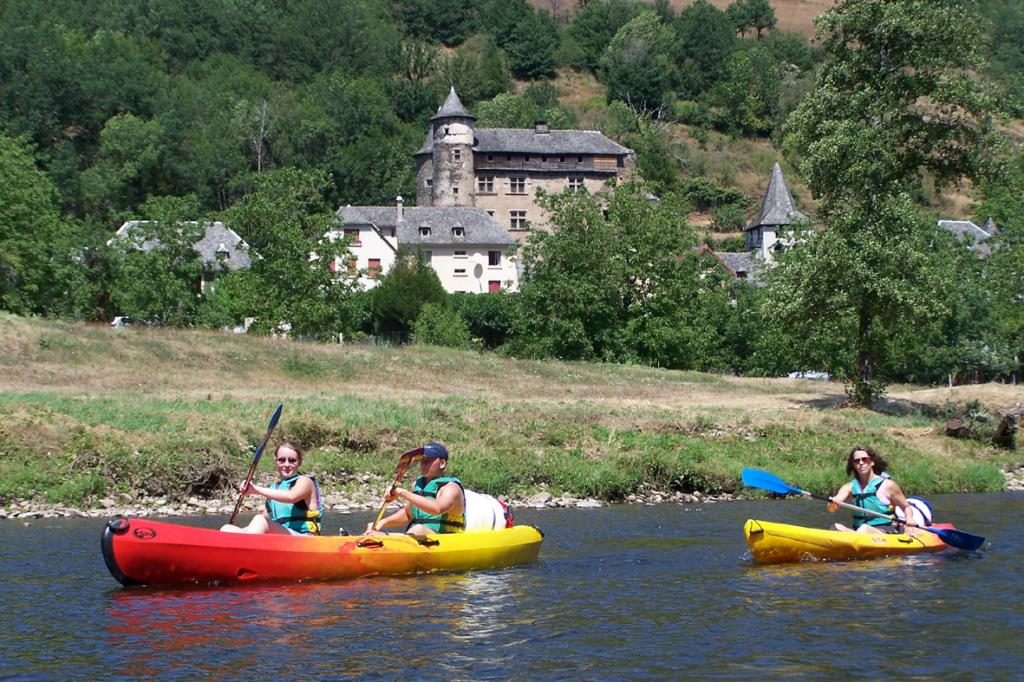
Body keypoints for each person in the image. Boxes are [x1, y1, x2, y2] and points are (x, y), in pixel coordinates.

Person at [220, 442, 324, 535]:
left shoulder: (304, 481)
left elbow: (291, 497)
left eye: (292, 460)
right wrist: (242, 531)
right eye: (281, 460)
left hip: (305, 538)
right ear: (276, 461)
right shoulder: (274, 488)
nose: (286, 464)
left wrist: (255, 489)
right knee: (227, 529)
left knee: (259, 520)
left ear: (299, 462)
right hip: (283, 538)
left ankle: (247, 548)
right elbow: (264, 519)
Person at [366, 441, 465, 538]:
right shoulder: (416, 485)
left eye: (428, 461)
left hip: (446, 538)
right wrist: (382, 522)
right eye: (422, 460)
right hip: (418, 538)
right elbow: (408, 514)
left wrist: (402, 493)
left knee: (418, 529)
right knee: (372, 529)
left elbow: (437, 509)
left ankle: (386, 538)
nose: (423, 464)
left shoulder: (451, 488)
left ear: (442, 463)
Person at [828, 445, 916, 534]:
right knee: (835, 527)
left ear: (872, 462)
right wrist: (833, 503)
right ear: (854, 465)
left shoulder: (887, 485)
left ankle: (856, 535)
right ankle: (855, 535)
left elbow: (906, 507)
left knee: (864, 529)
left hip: (884, 530)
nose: (861, 463)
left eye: (864, 459)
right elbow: (834, 505)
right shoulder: (849, 487)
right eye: (857, 461)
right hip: (859, 530)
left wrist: (909, 518)